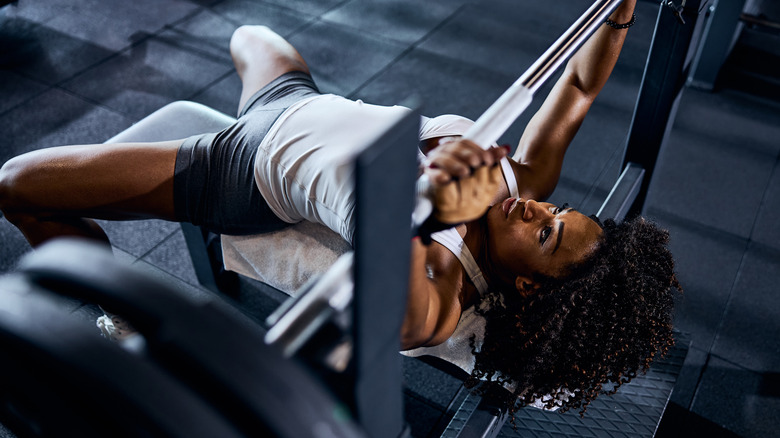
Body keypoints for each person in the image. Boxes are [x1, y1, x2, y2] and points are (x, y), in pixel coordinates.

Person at [0, 0, 678, 415]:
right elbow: (580, 90)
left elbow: (395, 273)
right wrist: (619, 10)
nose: (536, 208)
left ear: (528, 284)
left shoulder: (439, 299)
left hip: (241, 168)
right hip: (300, 103)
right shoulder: (514, 184)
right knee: (250, 34)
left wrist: (438, 207)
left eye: (549, 233)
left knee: (16, 183)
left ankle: (118, 314)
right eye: (555, 207)